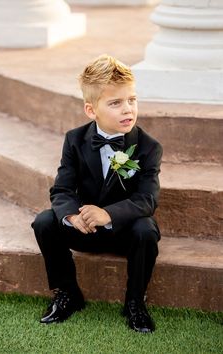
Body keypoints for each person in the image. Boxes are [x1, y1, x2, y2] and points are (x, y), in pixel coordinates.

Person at [32, 54, 163, 333]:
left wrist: (109, 214)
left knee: (147, 229)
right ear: (91, 110)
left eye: (132, 99)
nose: (127, 109)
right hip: (85, 229)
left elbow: (147, 199)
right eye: (115, 103)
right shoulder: (75, 140)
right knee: (44, 221)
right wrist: (70, 215)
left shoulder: (149, 147)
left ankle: (135, 302)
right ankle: (67, 294)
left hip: (123, 232)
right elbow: (63, 188)